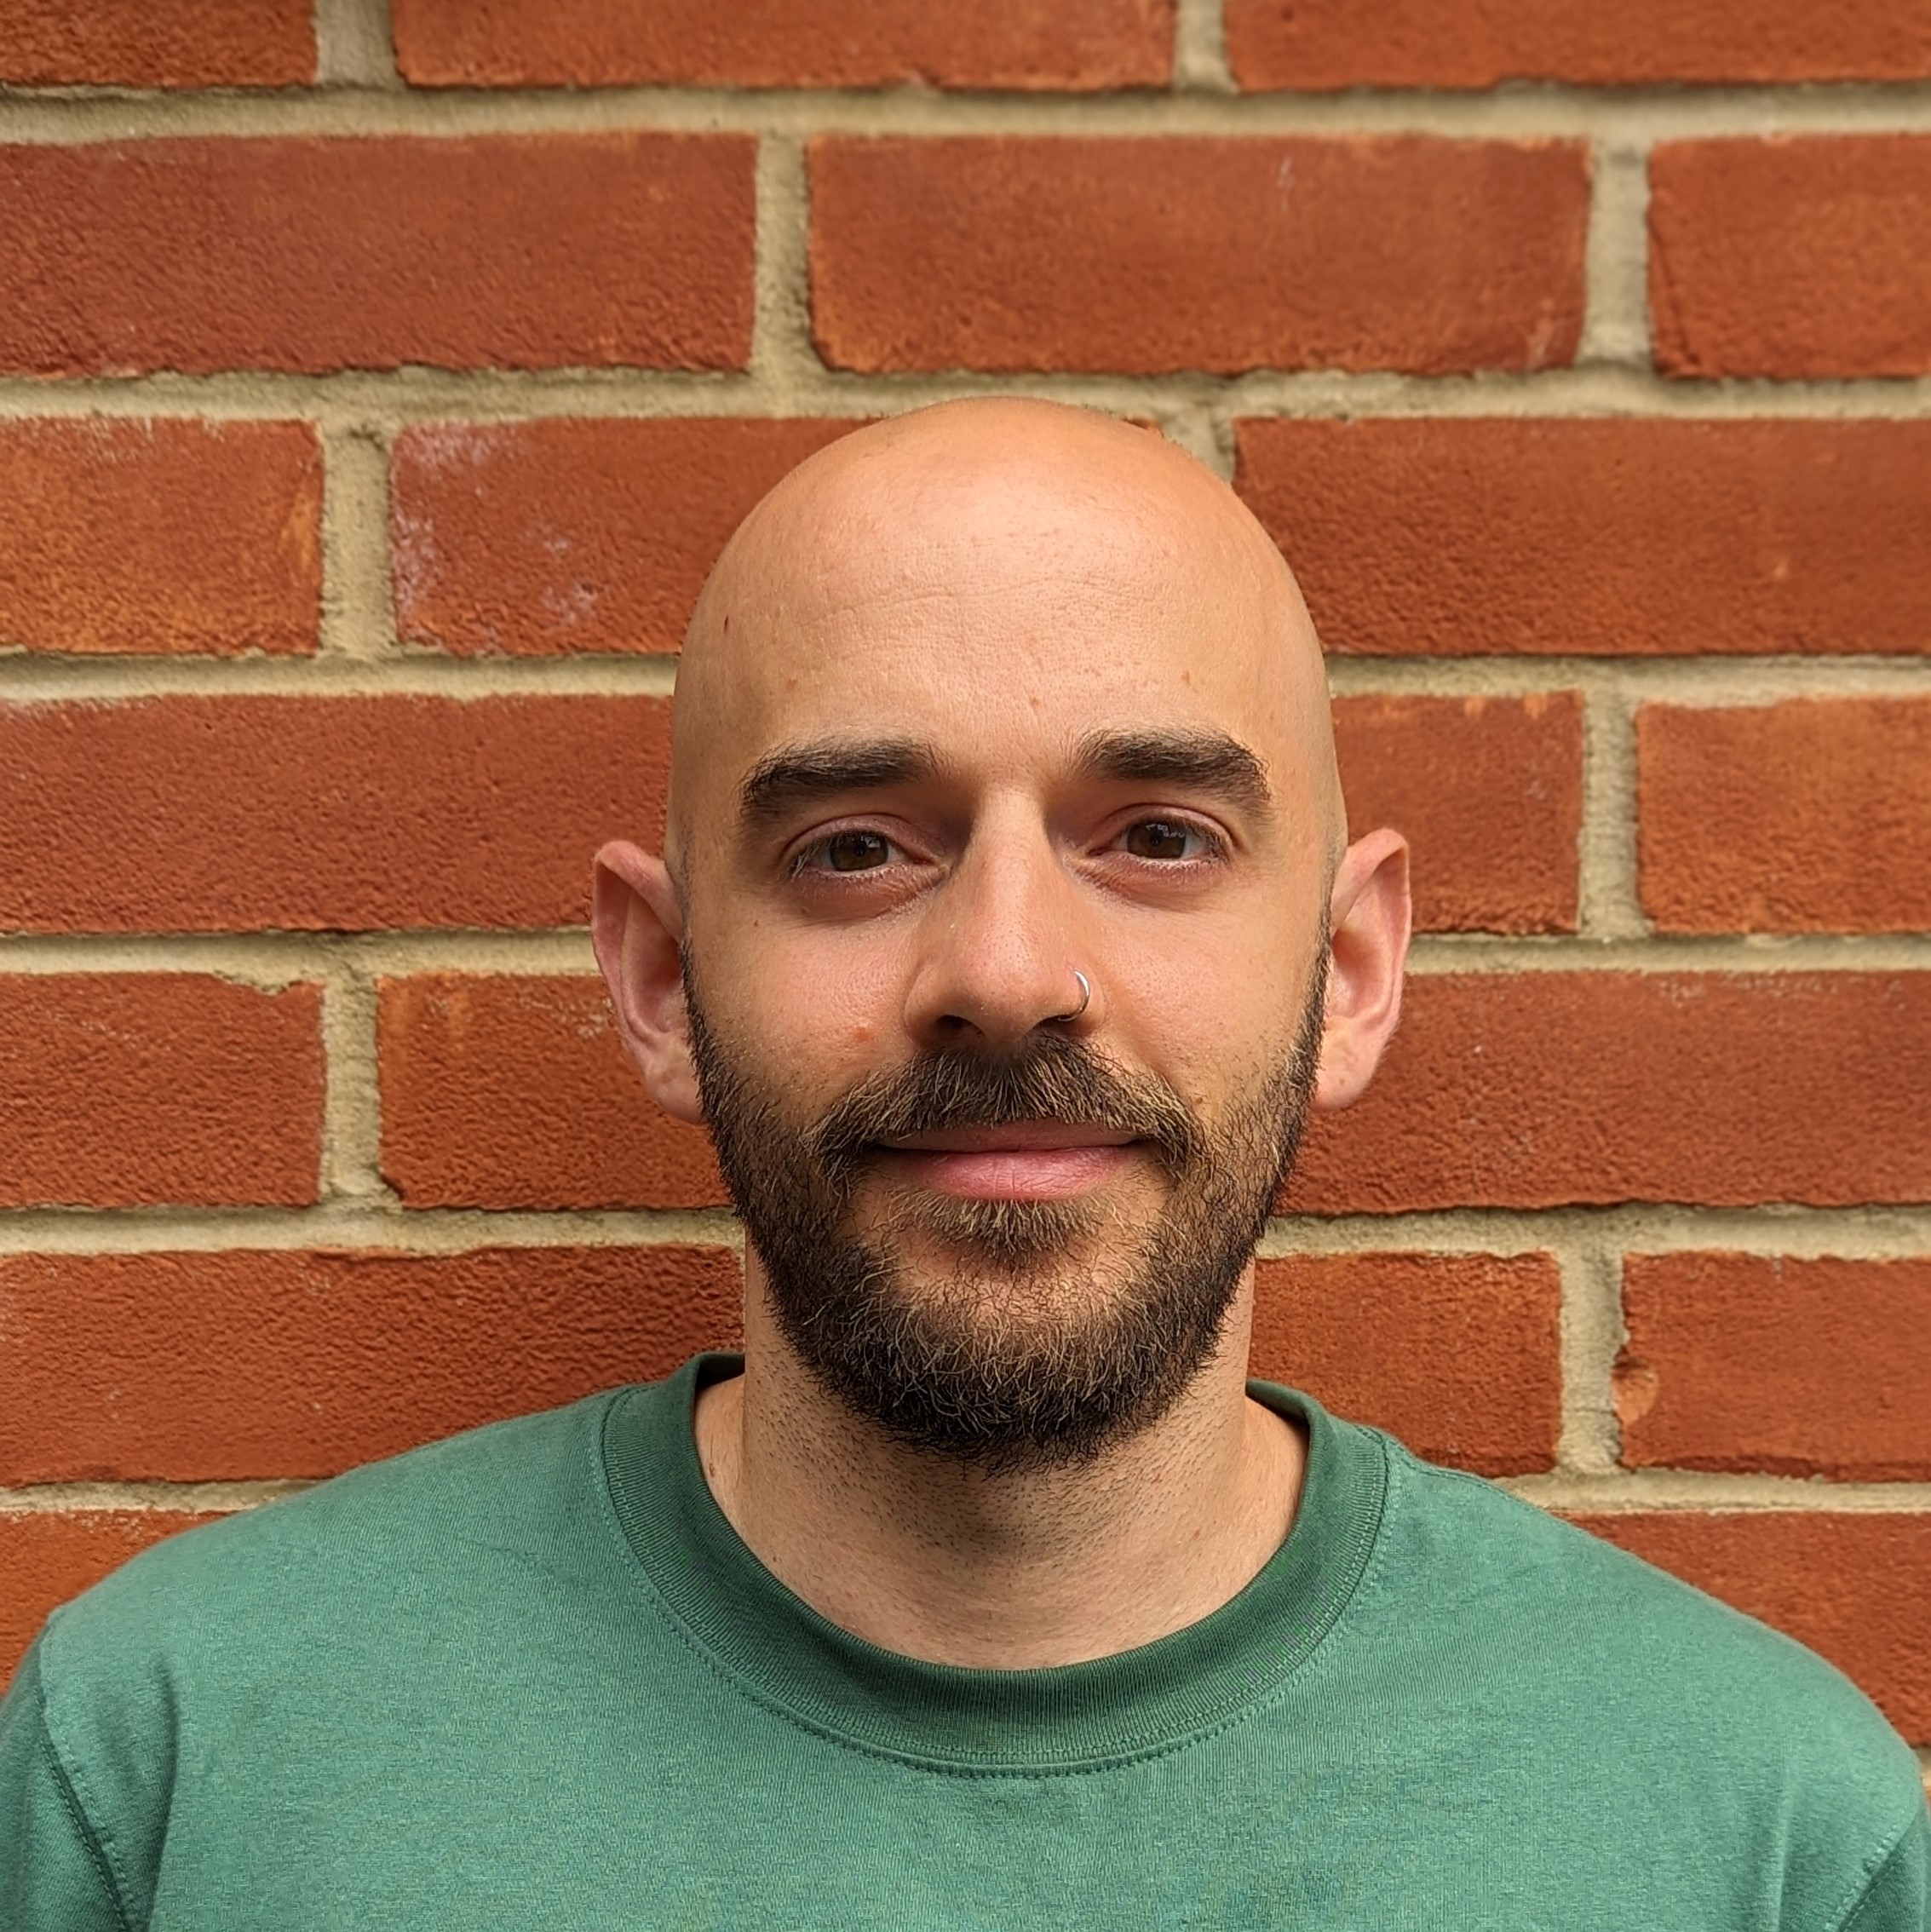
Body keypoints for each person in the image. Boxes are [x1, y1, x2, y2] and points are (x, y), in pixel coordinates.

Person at [2, 400, 1922, 1929]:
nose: (1005, 976)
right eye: (859, 846)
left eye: (1155, 836)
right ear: (664, 982)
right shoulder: (184, 1774)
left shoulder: (1754, 1840)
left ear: (1349, 976)